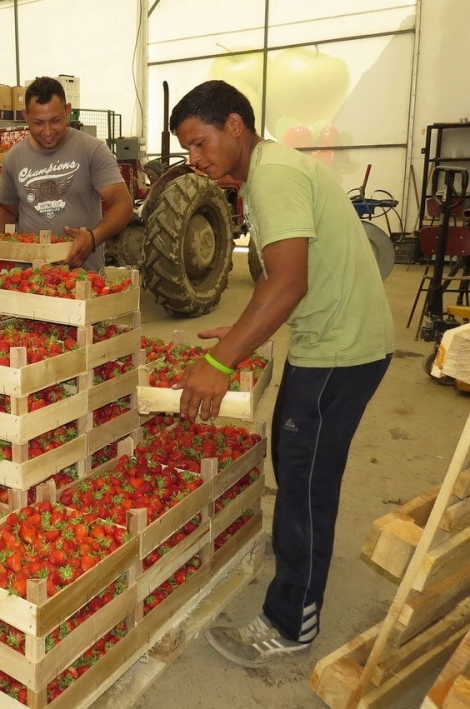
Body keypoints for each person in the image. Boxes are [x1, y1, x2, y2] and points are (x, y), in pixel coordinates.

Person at [169, 80, 394, 667]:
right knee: (295, 461)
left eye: (200, 143)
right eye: (188, 150)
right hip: (331, 341)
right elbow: (278, 282)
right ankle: (301, 555)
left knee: (306, 478)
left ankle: (291, 621)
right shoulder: (269, 171)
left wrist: (220, 363)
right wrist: (242, 334)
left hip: (341, 350)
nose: (195, 161)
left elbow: (289, 283)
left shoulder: (273, 177)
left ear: (235, 126)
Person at [0, 76, 133, 270]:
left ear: (67, 111)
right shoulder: (14, 157)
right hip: (30, 275)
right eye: (38, 123)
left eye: (55, 121)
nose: (47, 131)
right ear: (25, 116)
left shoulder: (91, 150)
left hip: (83, 276)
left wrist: (93, 238)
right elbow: (7, 208)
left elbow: (123, 205)